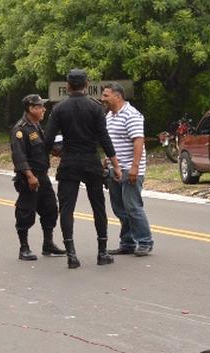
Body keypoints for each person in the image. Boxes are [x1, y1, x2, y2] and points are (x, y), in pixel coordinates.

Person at [44, 69, 122, 269]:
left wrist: (48, 157)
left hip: (70, 160)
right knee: (98, 206)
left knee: (67, 208)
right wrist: (115, 164)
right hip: (91, 160)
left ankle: (71, 255)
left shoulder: (60, 109)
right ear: (87, 84)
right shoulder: (95, 108)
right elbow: (104, 138)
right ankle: (102, 252)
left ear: (68, 86)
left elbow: (48, 138)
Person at [10, 94, 66, 261]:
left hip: (42, 176)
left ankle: (48, 244)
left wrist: (55, 151)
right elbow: (18, 156)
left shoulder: (37, 126)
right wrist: (29, 176)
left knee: (50, 209)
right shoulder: (20, 130)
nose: (44, 109)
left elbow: (42, 148)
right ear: (31, 108)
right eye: (40, 106)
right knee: (26, 212)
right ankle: (24, 248)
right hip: (30, 178)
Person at [101, 82, 154, 257]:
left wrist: (135, 168)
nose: (103, 98)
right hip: (114, 169)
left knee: (133, 207)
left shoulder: (131, 115)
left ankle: (145, 241)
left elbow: (138, 141)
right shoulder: (109, 116)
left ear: (117, 96)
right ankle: (128, 242)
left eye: (106, 95)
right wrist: (106, 160)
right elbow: (111, 143)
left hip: (130, 169)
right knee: (119, 209)